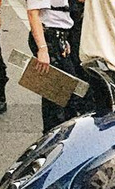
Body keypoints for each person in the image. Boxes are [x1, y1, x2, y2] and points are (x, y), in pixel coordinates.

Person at [26, 0, 80, 132]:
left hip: (58, 38)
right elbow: (33, 13)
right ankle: (52, 142)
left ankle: (58, 140)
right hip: (49, 40)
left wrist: (64, 40)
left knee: (65, 98)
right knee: (56, 101)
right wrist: (43, 49)